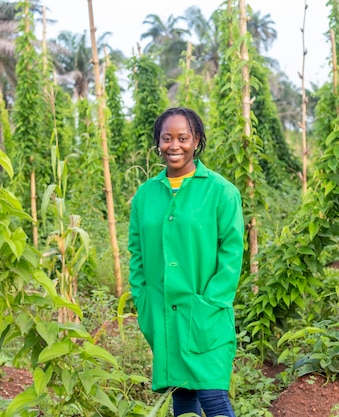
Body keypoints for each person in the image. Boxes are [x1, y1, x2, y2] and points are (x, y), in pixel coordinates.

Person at [128, 107, 244, 417]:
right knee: (183, 397)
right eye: (167, 138)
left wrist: (211, 302)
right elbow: (136, 254)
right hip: (163, 312)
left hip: (206, 315)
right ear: (158, 143)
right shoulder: (145, 195)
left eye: (183, 138)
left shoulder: (221, 192)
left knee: (213, 397)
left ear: (197, 141)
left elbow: (231, 255)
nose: (174, 146)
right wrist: (143, 299)